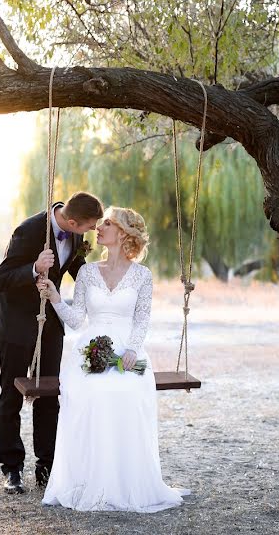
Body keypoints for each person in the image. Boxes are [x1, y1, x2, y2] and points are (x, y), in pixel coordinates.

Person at [36, 207, 189, 512]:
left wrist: (132, 350)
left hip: (127, 350)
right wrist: (55, 298)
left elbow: (142, 319)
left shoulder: (142, 276)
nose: (98, 227)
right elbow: (78, 321)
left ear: (123, 233)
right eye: (100, 223)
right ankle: (89, 480)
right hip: (88, 349)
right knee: (89, 393)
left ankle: (124, 481)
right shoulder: (87, 271)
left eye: (107, 223)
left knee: (128, 391)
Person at [0, 192, 104, 494]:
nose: (90, 233)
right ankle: (12, 469)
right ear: (71, 222)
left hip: (49, 325)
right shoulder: (30, 230)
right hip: (16, 324)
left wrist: (112, 281)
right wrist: (33, 268)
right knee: (12, 394)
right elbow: (1, 279)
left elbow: (80, 270)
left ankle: (47, 465)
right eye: (88, 228)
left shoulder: (74, 234)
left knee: (49, 393)